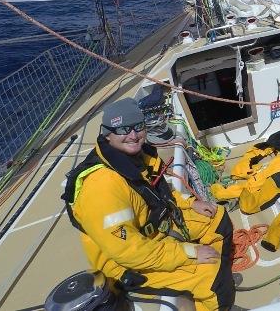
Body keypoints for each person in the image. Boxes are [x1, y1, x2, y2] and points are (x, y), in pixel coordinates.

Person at [62, 98, 234, 311]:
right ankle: (215, 287)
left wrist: (189, 204)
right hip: (129, 263)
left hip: (158, 231)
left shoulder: (139, 156)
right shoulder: (101, 187)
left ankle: (218, 267)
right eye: (123, 129)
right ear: (107, 134)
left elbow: (159, 192)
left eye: (138, 127)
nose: (133, 135)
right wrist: (189, 253)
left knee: (218, 218)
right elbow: (129, 252)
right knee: (215, 282)